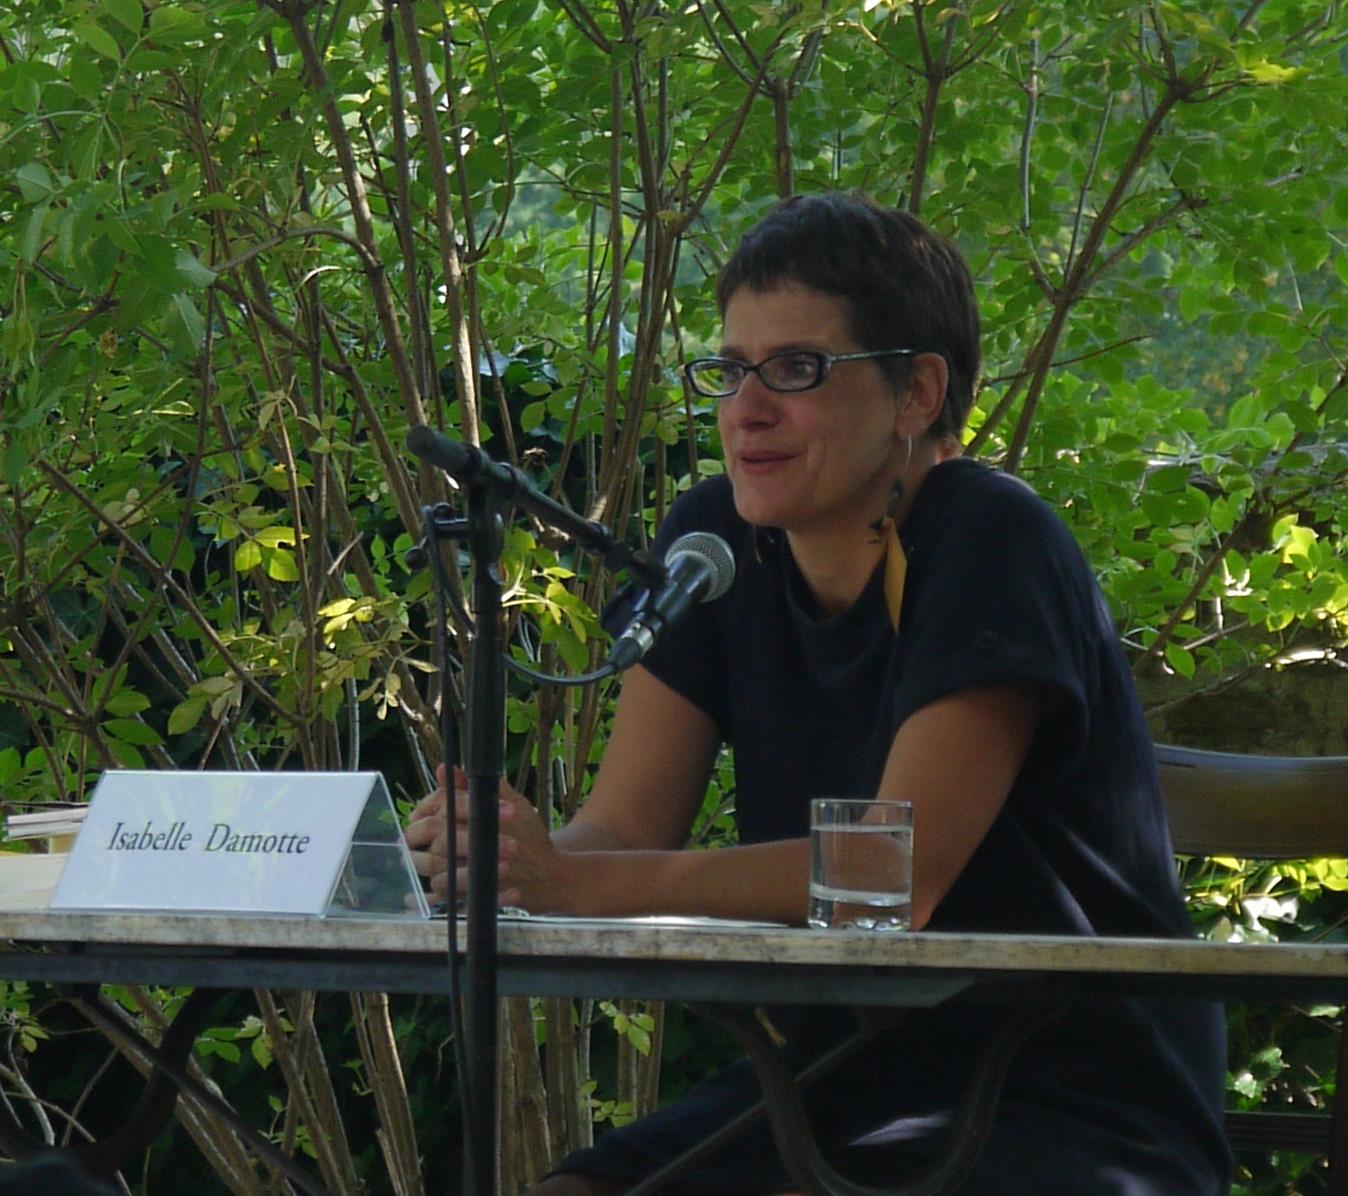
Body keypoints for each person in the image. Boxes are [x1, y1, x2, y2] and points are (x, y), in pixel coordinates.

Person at [404, 192, 1231, 1194]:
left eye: (796, 368)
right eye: (728, 371)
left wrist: (571, 883)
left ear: (916, 392)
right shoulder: (714, 540)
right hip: (836, 1083)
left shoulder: (992, 539)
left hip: (1064, 1096)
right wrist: (496, 862)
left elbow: (894, 875)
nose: (745, 409)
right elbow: (621, 830)